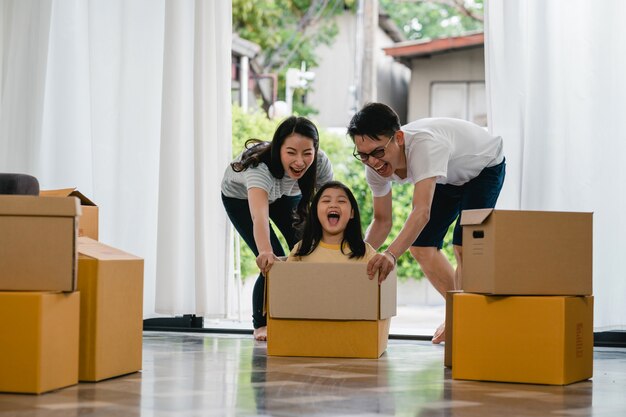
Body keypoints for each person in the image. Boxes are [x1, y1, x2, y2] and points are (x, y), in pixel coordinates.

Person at [347, 102, 505, 343]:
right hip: (449, 178)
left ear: (398, 138)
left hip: (484, 167)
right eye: (364, 155)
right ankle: (460, 311)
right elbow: (381, 221)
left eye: (378, 152)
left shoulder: (425, 147)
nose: (373, 162)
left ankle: (463, 320)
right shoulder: (373, 166)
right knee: (421, 247)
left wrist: (390, 255)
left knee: (465, 247)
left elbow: (422, 212)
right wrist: (355, 258)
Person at [221, 116, 333, 341]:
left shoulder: (320, 163)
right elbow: (259, 217)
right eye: (291, 153)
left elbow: (330, 203)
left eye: (307, 153)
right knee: (275, 258)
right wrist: (265, 252)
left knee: (307, 251)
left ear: (315, 150)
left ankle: (304, 313)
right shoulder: (258, 167)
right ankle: (260, 324)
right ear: (278, 149)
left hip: (286, 195)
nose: (300, 161)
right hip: (241, 199)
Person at [287, 180, 376, 263]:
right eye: (326, 200)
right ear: (315, 211)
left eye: (341, 201)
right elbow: (286, 278)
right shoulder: (302, 248)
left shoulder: (365, 252)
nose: (333, 205)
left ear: (352, 213)